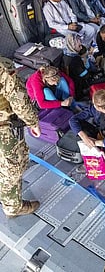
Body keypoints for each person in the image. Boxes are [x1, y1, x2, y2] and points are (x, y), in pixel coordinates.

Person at [0, 57, 41, 218]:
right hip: (3, 129)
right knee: (12, 169)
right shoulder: (2, 66)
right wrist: (32, 122)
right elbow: (18, 99)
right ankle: (12, 207)